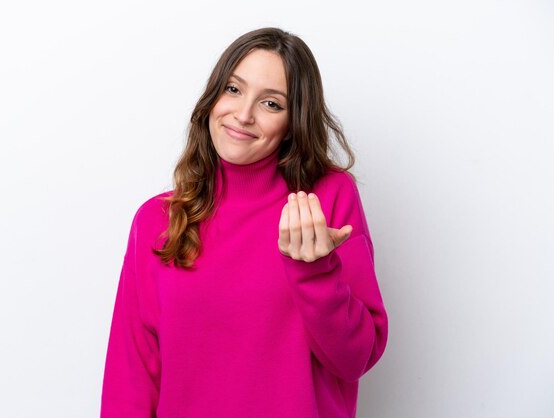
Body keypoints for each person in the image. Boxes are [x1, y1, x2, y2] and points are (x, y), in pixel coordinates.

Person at [100, 27, 389, 418]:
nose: (243, 114)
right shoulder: (157, 219)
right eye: (233, 90)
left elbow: (355, 359)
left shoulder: (325, 200)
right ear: (213, 97)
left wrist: (315, 272)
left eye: (271, 104)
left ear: (292, 123)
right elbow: (130, 377)